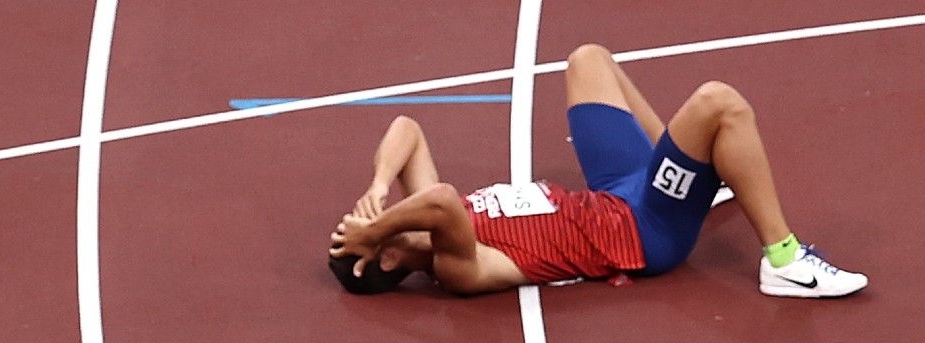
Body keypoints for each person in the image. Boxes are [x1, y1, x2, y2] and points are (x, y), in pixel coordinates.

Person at [325, 46, 865, 299]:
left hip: (616, 191)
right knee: (719, 104)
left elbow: (406, 128)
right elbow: (441, 198)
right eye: (357, 234)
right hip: (645, 231)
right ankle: (785, 260)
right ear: (385, 256)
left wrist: (378, 186)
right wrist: (376, 228)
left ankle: (709, 170)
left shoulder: (418, 218)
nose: (359, 217)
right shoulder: (456, 266)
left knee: (588, 60)